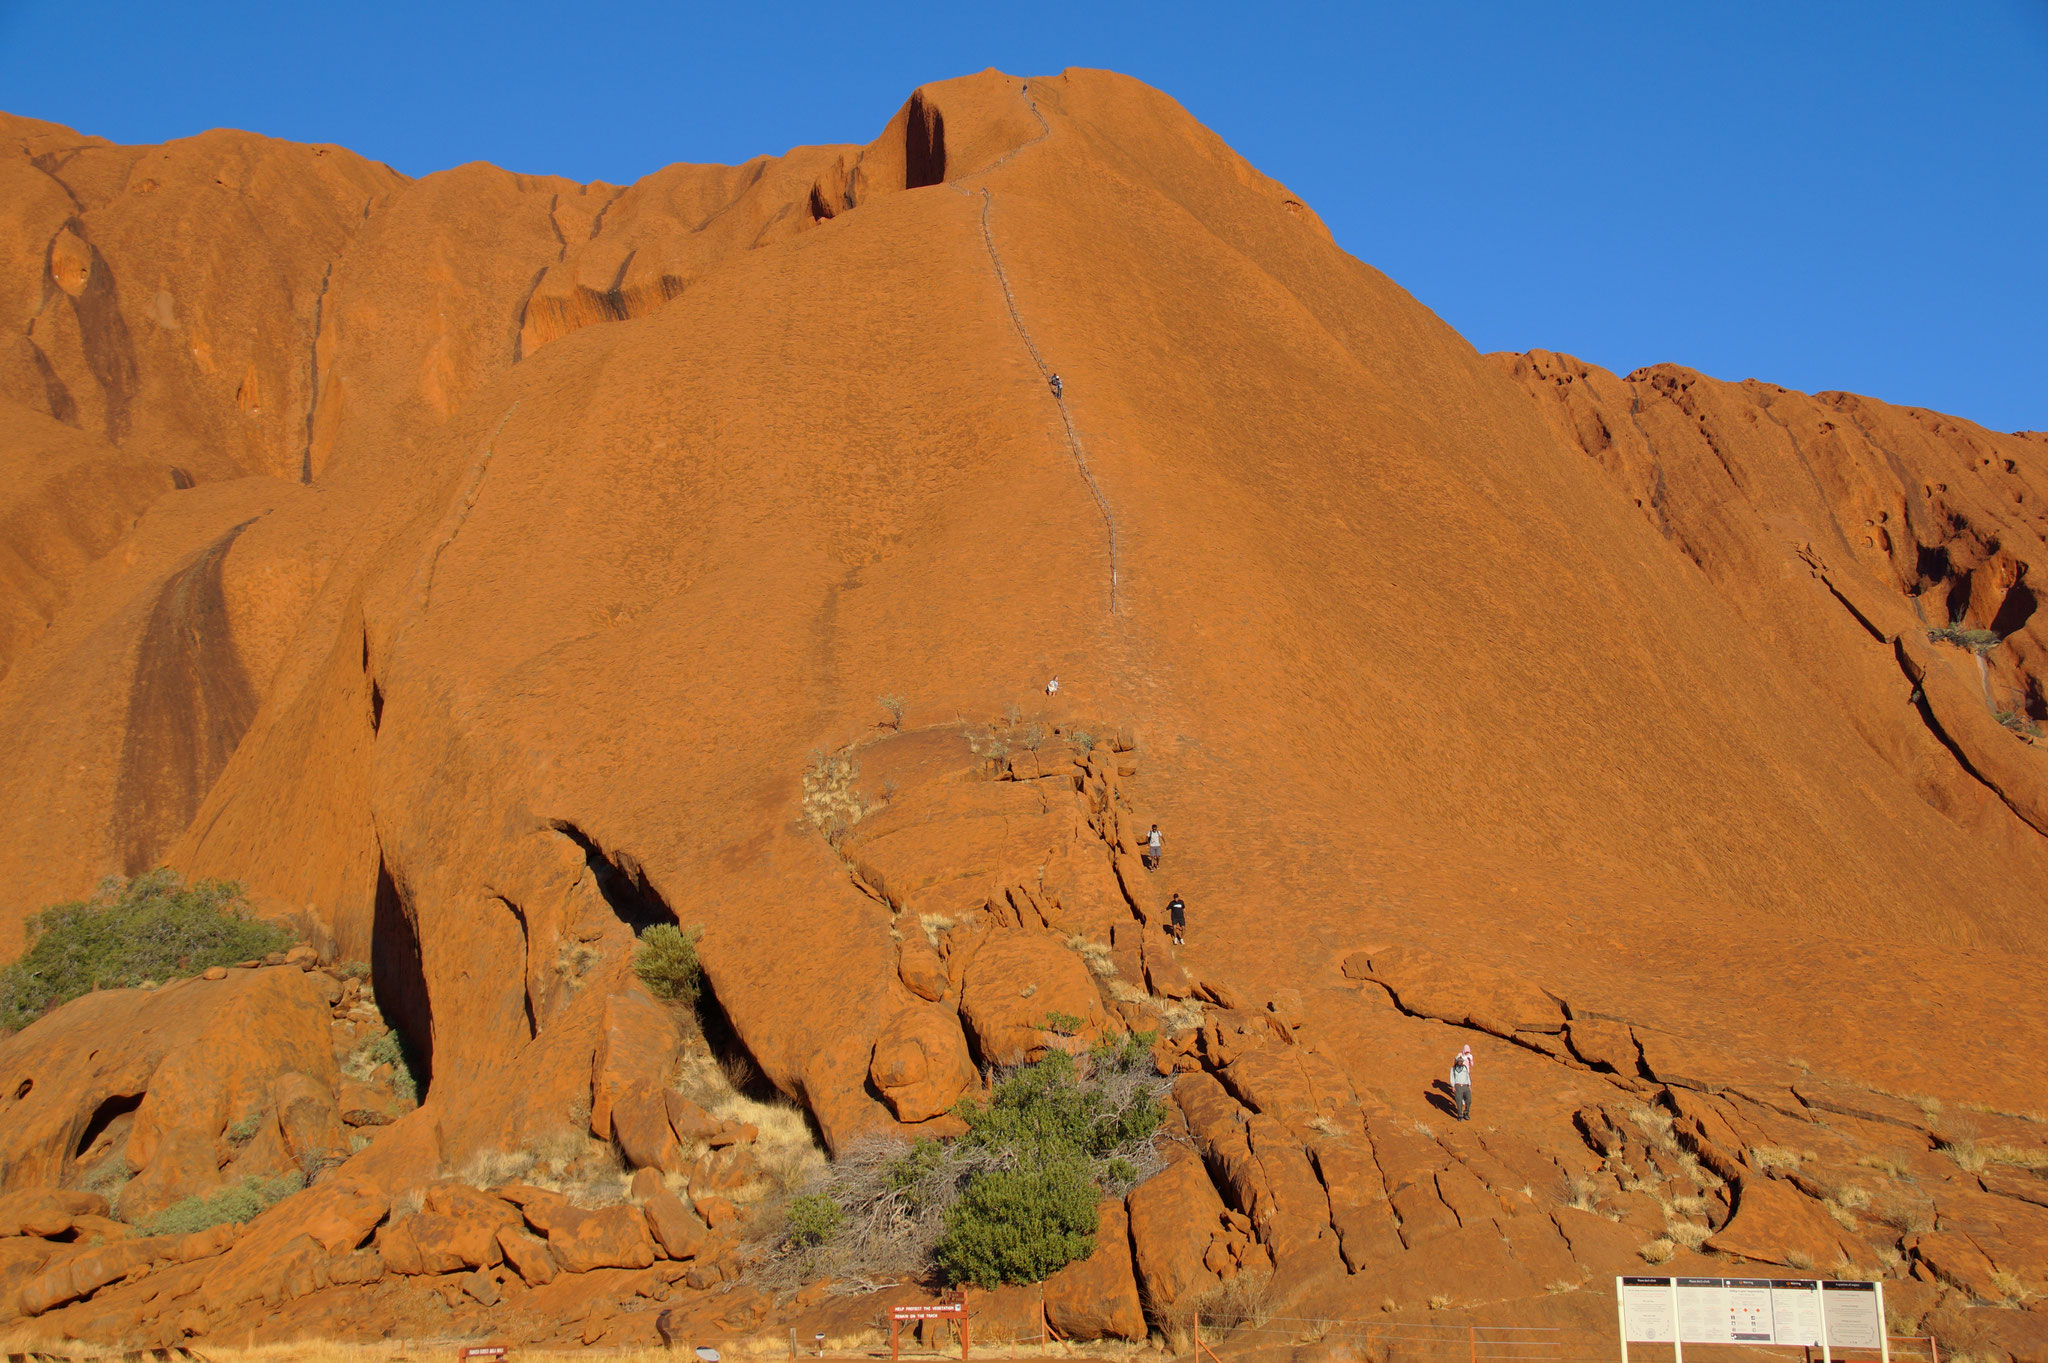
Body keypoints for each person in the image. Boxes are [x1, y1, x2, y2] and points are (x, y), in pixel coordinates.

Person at [1450, 1045, 1473, 1121]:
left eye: (1461, 1062)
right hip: (1458, 1086)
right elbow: (1452, 1077)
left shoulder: (1465, 1068)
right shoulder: (1453, 1069)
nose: (1460, 1063)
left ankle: (1466, 1113)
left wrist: (1469, 1085)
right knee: (1459, 1101)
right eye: (1459, 1061)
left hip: (1466, 1086)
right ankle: (1460, 1115)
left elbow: (1468, 1076)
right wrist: (1453, 1086)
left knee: (1468, 1100)